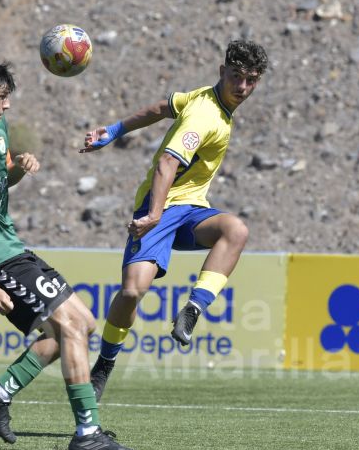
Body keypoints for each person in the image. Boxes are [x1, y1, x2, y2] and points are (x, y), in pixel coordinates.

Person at [0, 55, 133, 450]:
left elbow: (0, 177)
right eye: (0, 97)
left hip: (12, 245)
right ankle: (87, 433)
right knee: (71, 327)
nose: (6, 106)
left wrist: (19, 167)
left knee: (81, 324)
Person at [80, 40, 268, 401]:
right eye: (236, 77)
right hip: (158, 210)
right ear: (221, 73)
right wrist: (152, 214)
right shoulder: (206, 116)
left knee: (236, 230)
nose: (242, 87)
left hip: (190, 211)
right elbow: (168, 163)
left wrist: (115, 129)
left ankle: (193, 309)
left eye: (251, 80)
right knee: (132, 291)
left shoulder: (203, 98)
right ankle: (104, 363)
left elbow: (160, 107)